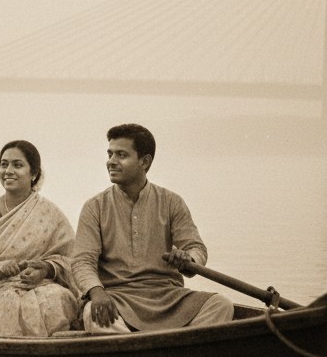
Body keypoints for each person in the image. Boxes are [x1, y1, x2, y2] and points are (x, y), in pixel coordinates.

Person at [71, 123, 233, 333]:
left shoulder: (171, 201)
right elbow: (82, 260)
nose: (111, 161)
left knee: (221, 305)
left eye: (121, 155)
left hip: (168, 296)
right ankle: (167, 354)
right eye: (110, 154)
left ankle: (157, 353)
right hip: (118, 297)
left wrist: (188, 260)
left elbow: (197, 248)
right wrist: (97, 292)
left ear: (144, 162)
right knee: (95, 314)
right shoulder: (95, 207)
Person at [0, 140, 81, 336]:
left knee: (56, 300)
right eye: (4, 164)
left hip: (43, 285)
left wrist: (44, 271)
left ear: (33, 174)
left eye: (17, 165)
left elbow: (71, 260)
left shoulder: (50, 213)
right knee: (7, 306)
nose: (8, 171)